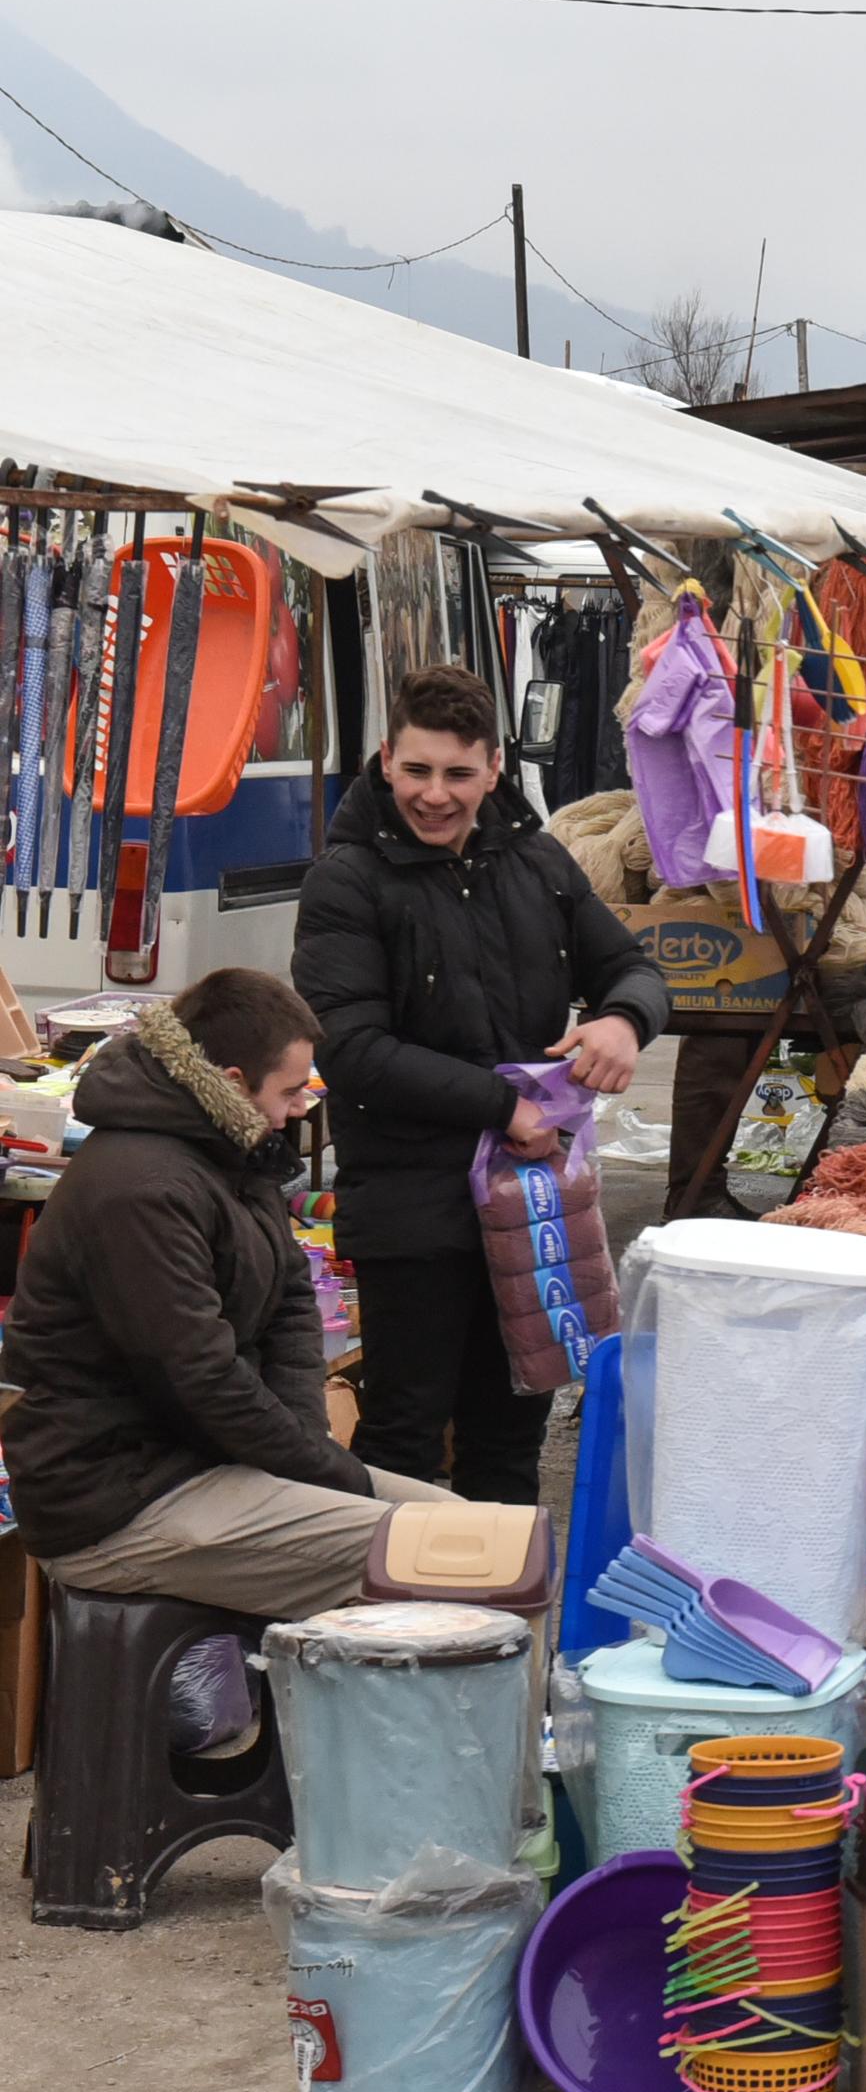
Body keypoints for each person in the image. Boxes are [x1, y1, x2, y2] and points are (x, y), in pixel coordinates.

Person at [295, 663, 666, 1505]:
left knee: (510, 1437)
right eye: (417, 771)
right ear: (386, 760)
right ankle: (393, 1634)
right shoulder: (345, 882)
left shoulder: (539, 862)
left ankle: (504, 1629)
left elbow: (633, 967)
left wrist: (624, 1020)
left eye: (458, 774)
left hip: (535, 1207)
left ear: (495, 767)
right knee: (402, 1439)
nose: (435, 795)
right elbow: (350, 1050)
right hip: (412, 1213)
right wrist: (506, 1107)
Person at [6, 970, 462, 1627]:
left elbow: (291, 1304)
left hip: (204, 1462)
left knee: (481, 1538)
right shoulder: (141, 1189)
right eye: (291, 1089)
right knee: (448, 1559)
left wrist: (308, 1452)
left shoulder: (228, 1149)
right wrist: (329, 1475)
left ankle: (489, 1726)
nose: (304, 1105)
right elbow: (198, 1377)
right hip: (119, 1500)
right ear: (230, 1083)